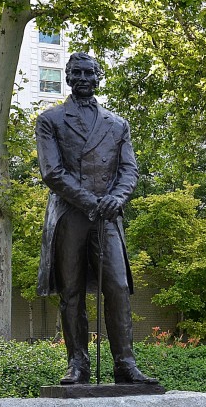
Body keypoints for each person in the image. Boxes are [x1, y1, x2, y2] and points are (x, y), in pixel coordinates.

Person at [35, 52, 157, 385]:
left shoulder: (117, 124)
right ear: (68, 77)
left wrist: (116, 198)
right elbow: (52, 171)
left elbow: (129, 168)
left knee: (117, 287)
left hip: (108, 217)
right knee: (71, 292)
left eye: (90, 73)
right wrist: (91, 201)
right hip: (71, 214)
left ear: (98, 76)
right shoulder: (51, 120)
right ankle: (78, 364)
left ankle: (125, 364)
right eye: (77, 73)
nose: (84, 78)